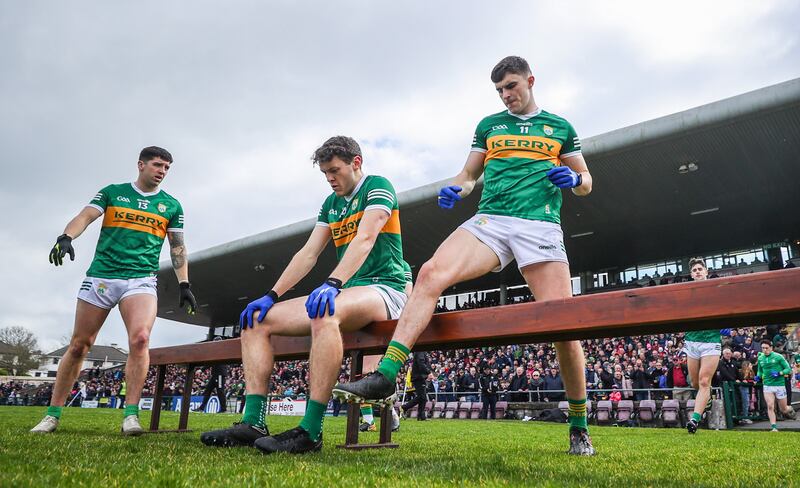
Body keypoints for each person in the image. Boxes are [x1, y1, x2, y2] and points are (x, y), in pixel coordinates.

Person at [333, 55, 595, 455]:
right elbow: (469, 174)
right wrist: (457, 187)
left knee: (563, 328)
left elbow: (586, 183)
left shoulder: (560, 127)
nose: (506, 95)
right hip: (491, 219)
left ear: (530, 80)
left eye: (511, 86)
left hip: (539, 225)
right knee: (431, 272)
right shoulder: (489, 126)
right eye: (499, 91)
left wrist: (574, 178)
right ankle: (387, 373)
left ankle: (578, 425)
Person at [200, 136, 408, 454]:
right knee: (257, 321)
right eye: (325, 173)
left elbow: (366, 238)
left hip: (384, 289)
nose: (330, 179)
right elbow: (308, 253)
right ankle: (252, 422)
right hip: (347, 292)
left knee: (324, 311)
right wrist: (271, 294)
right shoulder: (330, 204)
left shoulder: (378, 185)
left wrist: (334, 282)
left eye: (335, 170)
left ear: (356, 163)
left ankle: (310, 432)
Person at [31, 146, 197, 436]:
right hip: (102, 277)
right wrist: (66, 237)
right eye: (158, 165)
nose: (162, 171)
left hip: (141, 280)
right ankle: (52, 415)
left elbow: (177, 247)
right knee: (80, 345)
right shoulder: (113, 192)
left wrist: (185, 283)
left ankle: (130, 416)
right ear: (141, 165)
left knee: (141, 339)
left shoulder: (172, 205)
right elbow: (85, 216)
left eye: (167, 168)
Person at [682, 258, 724, 434]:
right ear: (691, 275)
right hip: (692, 340)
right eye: (695, 270)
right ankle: (705, 399)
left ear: (706, 271)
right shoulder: (687, 292)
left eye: (700, 269)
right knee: (694, 383)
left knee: (704, 380)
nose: (698, 271)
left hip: (711, 341)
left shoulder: (716, 289)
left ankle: (694, 420)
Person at [755, 340, 796, 431]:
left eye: (766, 348)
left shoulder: (778, 357)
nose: (765, 350)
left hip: (779, 385)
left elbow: (788, 369)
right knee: (770, 406)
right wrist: (758, 376)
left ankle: (790, 409)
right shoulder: (761, 358)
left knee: (783, 409)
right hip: (767, 385)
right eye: (763, 348)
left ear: (771, 348)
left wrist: (779, 373)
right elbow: (760, 370)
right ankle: (774, 427)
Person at [401, 351, 432, 421]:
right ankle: (404, 407)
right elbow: (421, 364)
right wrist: (428, 372)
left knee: (423, 398)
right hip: (418, 377)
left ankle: (421, 416)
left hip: (419, 377)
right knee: (421, 397)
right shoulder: (420, 352)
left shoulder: (420, 352)